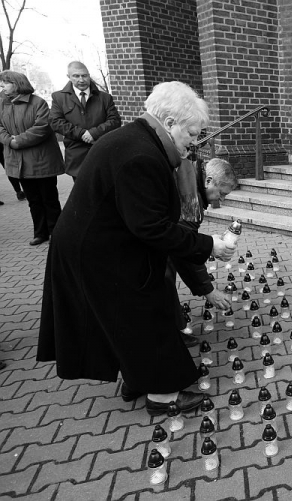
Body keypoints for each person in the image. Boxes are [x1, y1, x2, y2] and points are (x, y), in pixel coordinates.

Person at [38, 81, 236, 416]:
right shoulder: (141, 155)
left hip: (102, 246)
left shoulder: (137, 140)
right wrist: (210, 245)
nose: (193, 142)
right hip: (97, 253)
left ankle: (137, 377)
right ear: (170, 123)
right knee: (145, 312)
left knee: (126, 317)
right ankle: (162, 396)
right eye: (191, 133)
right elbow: (151, 227)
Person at [170, 157, 238, 348]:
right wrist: (209, 291)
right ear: (208, 181)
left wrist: (209, 244)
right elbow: (185, 251)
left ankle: (172, 330)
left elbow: (187, 240)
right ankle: (167, 337)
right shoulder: (191, 198)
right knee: (162, 279)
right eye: (221, 193)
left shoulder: (188, 176)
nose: (221, 200)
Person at [0, 71, 64, 245]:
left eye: (5, 83)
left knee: (49, 199)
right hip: (19, 163)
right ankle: (40, 233)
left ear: (16, 83)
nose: (2, 86)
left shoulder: (38, 103)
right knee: (33, 201)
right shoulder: (3, 104)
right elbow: (0, 128)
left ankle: (56, 233)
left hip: (42, 162)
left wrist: (17, 141)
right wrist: (8, 141)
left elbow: (42, 128)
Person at [50, 61, 121, 180]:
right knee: (83, 196)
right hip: (77, 156)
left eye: (84, 75)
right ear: (69, 77)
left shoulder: (105, 98)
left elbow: (115, 121)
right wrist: (82, 134)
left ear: (89, 75)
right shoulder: (59, 98)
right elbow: (56, 122)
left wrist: (94, 133)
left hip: (102, 152)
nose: (81, 80)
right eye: (76, 76)